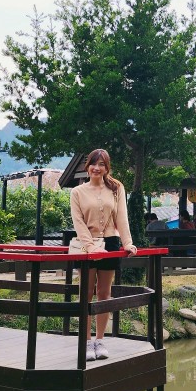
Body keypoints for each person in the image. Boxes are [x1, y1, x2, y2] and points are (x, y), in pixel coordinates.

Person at [69, 148, 137, 361]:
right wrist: (91, 248)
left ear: (107, 168)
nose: (97, 168)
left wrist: (127, 243)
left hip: (110, 243)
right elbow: (78, 222)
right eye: (93, 164)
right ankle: (86, 341)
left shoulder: (116, 188)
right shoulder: (77, 192)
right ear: (87, 166)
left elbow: (122, 218)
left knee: (105, 293)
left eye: (102, 165)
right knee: (86, 293)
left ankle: (100, 340)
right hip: (86, 245)